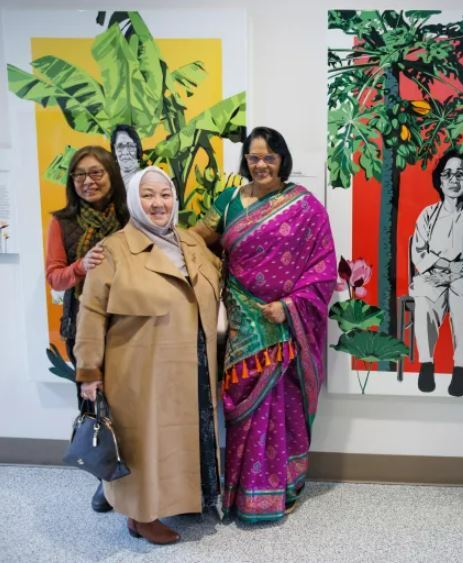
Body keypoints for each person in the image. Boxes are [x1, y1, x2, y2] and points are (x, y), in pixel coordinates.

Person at [192, 126, 337, 523]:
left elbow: (323, 270)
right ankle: (240, 493)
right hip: (241, 319)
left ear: (282, 160)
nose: (261, 165)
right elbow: (198, 238)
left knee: (282, 405)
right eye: (254, 157)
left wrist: (289, 306)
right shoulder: (228, 202)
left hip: (284, 325)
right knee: (240, 402)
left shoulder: (304, 206)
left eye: (269, 157)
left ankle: (284, 487)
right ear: (246, 161)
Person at [75, 166, 222, 545]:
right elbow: (91, 313)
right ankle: (141, 516)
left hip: (193, 363)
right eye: (148, 195)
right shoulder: (112, 250)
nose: (158, 203)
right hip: (141, 369)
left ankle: (185, 499)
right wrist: (89, 371)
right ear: (133, 201)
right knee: (146, 442)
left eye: (165, 195)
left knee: (183, 439)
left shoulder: (191, 242)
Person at [44, 146, 128, 514]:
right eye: (79, 175)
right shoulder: (62, 221)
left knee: (130, 405)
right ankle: (105, 482)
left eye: (96, 173)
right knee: (95, 406)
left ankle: (135, 479)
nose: (88, 181)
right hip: (82, 326)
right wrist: (81, 265)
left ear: (111, 175)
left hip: (128, 323)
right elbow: (55, 278)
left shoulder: (130, 216)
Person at [409, 150, 463, 396]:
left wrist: (459, 270)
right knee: (425, 300)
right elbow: (419, 252)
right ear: (440, 180)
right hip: (434, 274)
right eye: (448, 174)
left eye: (460, 174)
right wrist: (444, 267)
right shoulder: (427, 215)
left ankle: (460, 369)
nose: (454, 179)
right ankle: (426, 363)